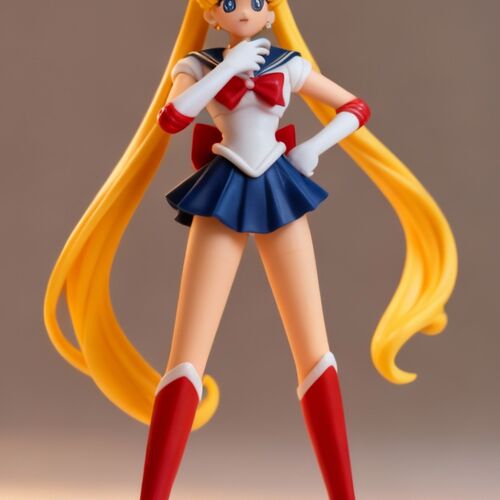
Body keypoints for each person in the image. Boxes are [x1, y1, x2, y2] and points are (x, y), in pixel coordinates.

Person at [43, 1, 458, 499]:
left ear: (273, 13)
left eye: (256, 2)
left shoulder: (289, 65)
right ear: (210, 16)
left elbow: (355, 108)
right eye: (228, 3)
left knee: (315, 350)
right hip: (222, 192)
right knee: (187, 354)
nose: (243, 10)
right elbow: (172, 119)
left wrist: (314, 147)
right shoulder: (197, 66)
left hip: (280, 190)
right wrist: (229, 69)